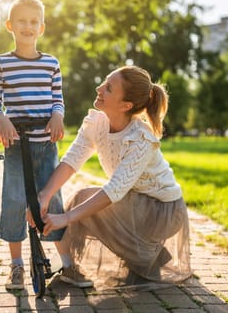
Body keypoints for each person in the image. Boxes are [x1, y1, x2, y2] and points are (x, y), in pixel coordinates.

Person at [38, 65, 192, 289]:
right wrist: (45, 194)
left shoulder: (140, 139)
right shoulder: (96, 122)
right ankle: (149, 257)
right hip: (134, 202)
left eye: (108, 88)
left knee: (83, 202)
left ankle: (145, 256)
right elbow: (72, 159)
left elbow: (114, 191)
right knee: (83, 201)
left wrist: (66, 218)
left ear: (126, 105)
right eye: (104, 82)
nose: (99, 88)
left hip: (164, 211)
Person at [0, 0, 92, 290]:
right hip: (16, 144)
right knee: (14, 200)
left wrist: (58, 115)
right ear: (10, 25)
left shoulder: (51, 64)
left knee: (52, 202)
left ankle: (67, 265)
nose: (28, 26)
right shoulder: (2, 63)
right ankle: (16, 266)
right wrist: (2, 119)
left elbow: (58, 99)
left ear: (42, 28)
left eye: (34, 22)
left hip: (46, 143)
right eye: (22, 21)